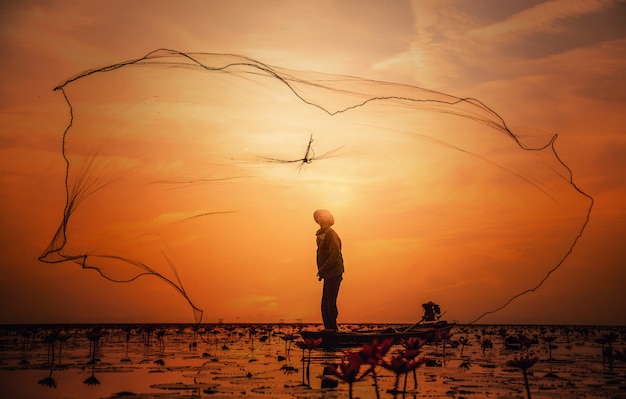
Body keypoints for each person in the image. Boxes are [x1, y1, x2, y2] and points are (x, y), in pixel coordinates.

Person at [313, 209, 344, 331]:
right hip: (327, 273)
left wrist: (323, 269)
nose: (320, 217)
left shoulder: (331, 233)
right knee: (324, 303)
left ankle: (332, 328)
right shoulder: (320, 235)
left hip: (334, 272)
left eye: (322, 215)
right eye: (318, 216)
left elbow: (335, 253)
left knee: (330, 301)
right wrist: (321, 271)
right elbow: (320, 254)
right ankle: (328, 328)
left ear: (328, 218)